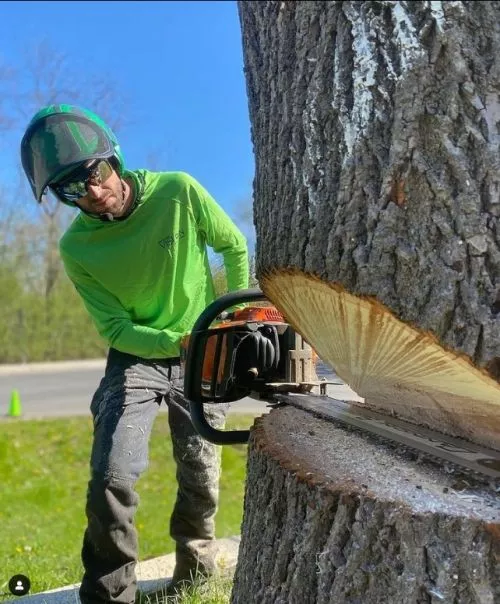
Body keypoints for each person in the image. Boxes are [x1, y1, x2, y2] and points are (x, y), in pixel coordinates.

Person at [20, 104, 249, 604]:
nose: (95, 193)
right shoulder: (76, 249)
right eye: (72, 190)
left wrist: (229, 323)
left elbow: (232, 246)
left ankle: (195, 568)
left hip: (202, 347)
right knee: (112, 472)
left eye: (96, 174)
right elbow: (116, 327)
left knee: (200, 467)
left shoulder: (178, 192)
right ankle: (110, 592)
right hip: (135, 355)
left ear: (114, 159)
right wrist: (173, 343)